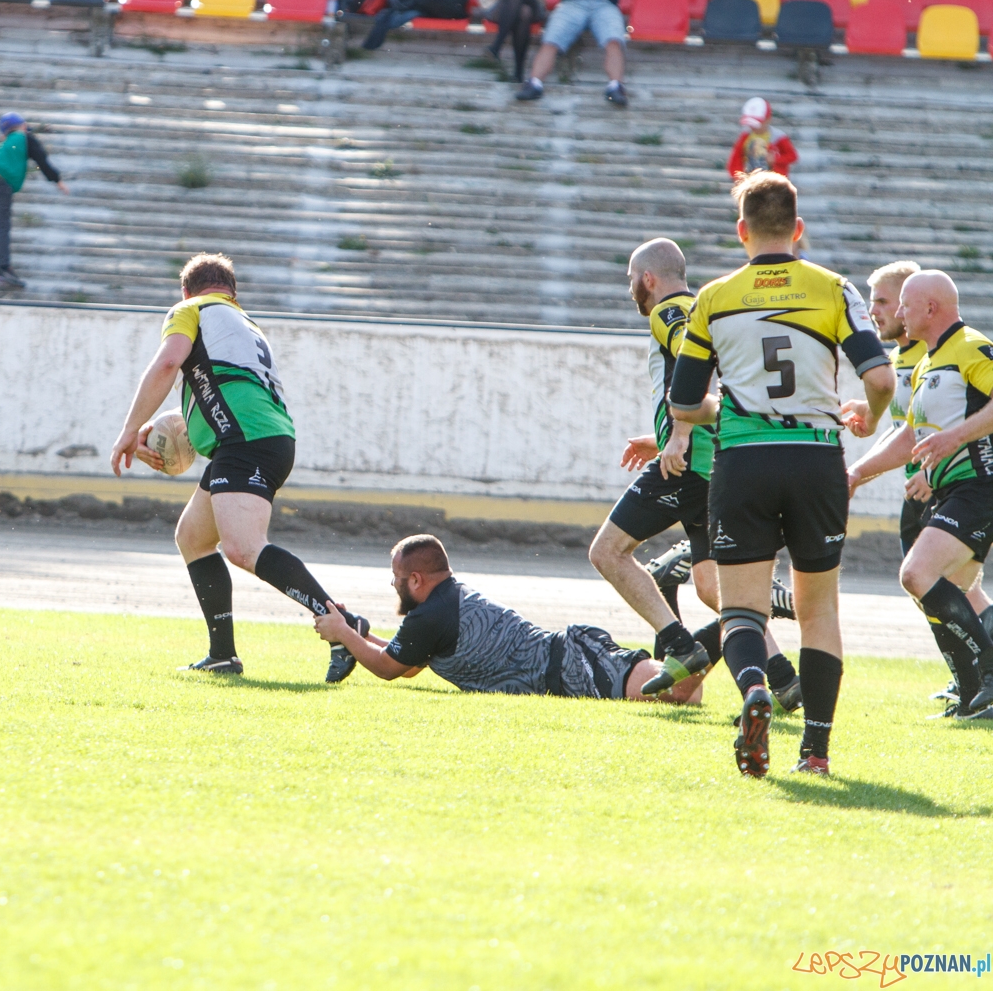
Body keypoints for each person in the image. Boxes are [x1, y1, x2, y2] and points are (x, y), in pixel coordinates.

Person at [668, 172, 894, 776]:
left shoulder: (713, 297)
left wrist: (728, 409)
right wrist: (867, 418)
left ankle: (752, 691)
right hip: (817, 458)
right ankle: (816, 753)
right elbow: (879, 379)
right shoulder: (833, 287)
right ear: (798, 230)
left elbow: (685, 404)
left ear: (741, 231)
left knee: (742, 612)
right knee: (819, 612)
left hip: (742, 462)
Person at [109, 253, 367, 682]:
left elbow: (168, 362)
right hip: (262, 438)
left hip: (245, 441)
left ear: (186, 291)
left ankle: (343, 624)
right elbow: (217, 384)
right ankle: (222, 654)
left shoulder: (189, 311)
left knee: (243, 547)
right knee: (193, 537)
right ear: (233, 293)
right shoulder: (243, 324)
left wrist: (128, 431)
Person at [587, 239, 802, 709]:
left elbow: (692, 363)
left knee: (607, 552)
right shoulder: (707, 309)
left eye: (630, 280)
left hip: (688, 467)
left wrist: (679, 437)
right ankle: (784, 678)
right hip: (714, 465)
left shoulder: (671, 311)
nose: (630, 290)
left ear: (648, 279)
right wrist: (664, 435)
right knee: (712, 586)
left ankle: (680, 647)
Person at [844, 270, 993, 720]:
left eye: (905, 305)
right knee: (957, 592)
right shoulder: (927, 361)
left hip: (979, 487)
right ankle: (973, 696)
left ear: (931, 308)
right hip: (951, 490)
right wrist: (859, 474)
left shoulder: (970, 346)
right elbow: (912, 433)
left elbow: (959, 429)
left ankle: (988, 675)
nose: (899, 313)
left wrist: (952, 440)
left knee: (916, 574)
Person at [313, 535, 703, 703]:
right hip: (567, 658)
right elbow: (410, 662)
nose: (393, 585)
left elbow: (388, 668)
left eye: (397, 579)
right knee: (685, 692)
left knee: (683, 692)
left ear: (415, 579)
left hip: (570, 666)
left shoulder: (429, 616)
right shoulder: (445, 601)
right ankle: (682, 611)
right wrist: (360, 634)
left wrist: (343, 633)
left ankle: (719, 620)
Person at [0, 112, 68, 289]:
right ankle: (2, 268)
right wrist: (57, 180)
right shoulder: (25, 137)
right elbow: (41, 159)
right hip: (0, 182)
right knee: (3, 224)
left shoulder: (7, 143)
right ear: (23, 126)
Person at [727, 98, 798, 182]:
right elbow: (736, 158)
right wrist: (738, 177)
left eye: (757, 123)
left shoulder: (778, 137)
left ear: (768, 119)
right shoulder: (746, 136)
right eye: (750, 123)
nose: (753, 127)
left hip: (774, 182)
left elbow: (793, 156)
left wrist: (775, 159)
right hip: (751, 181)